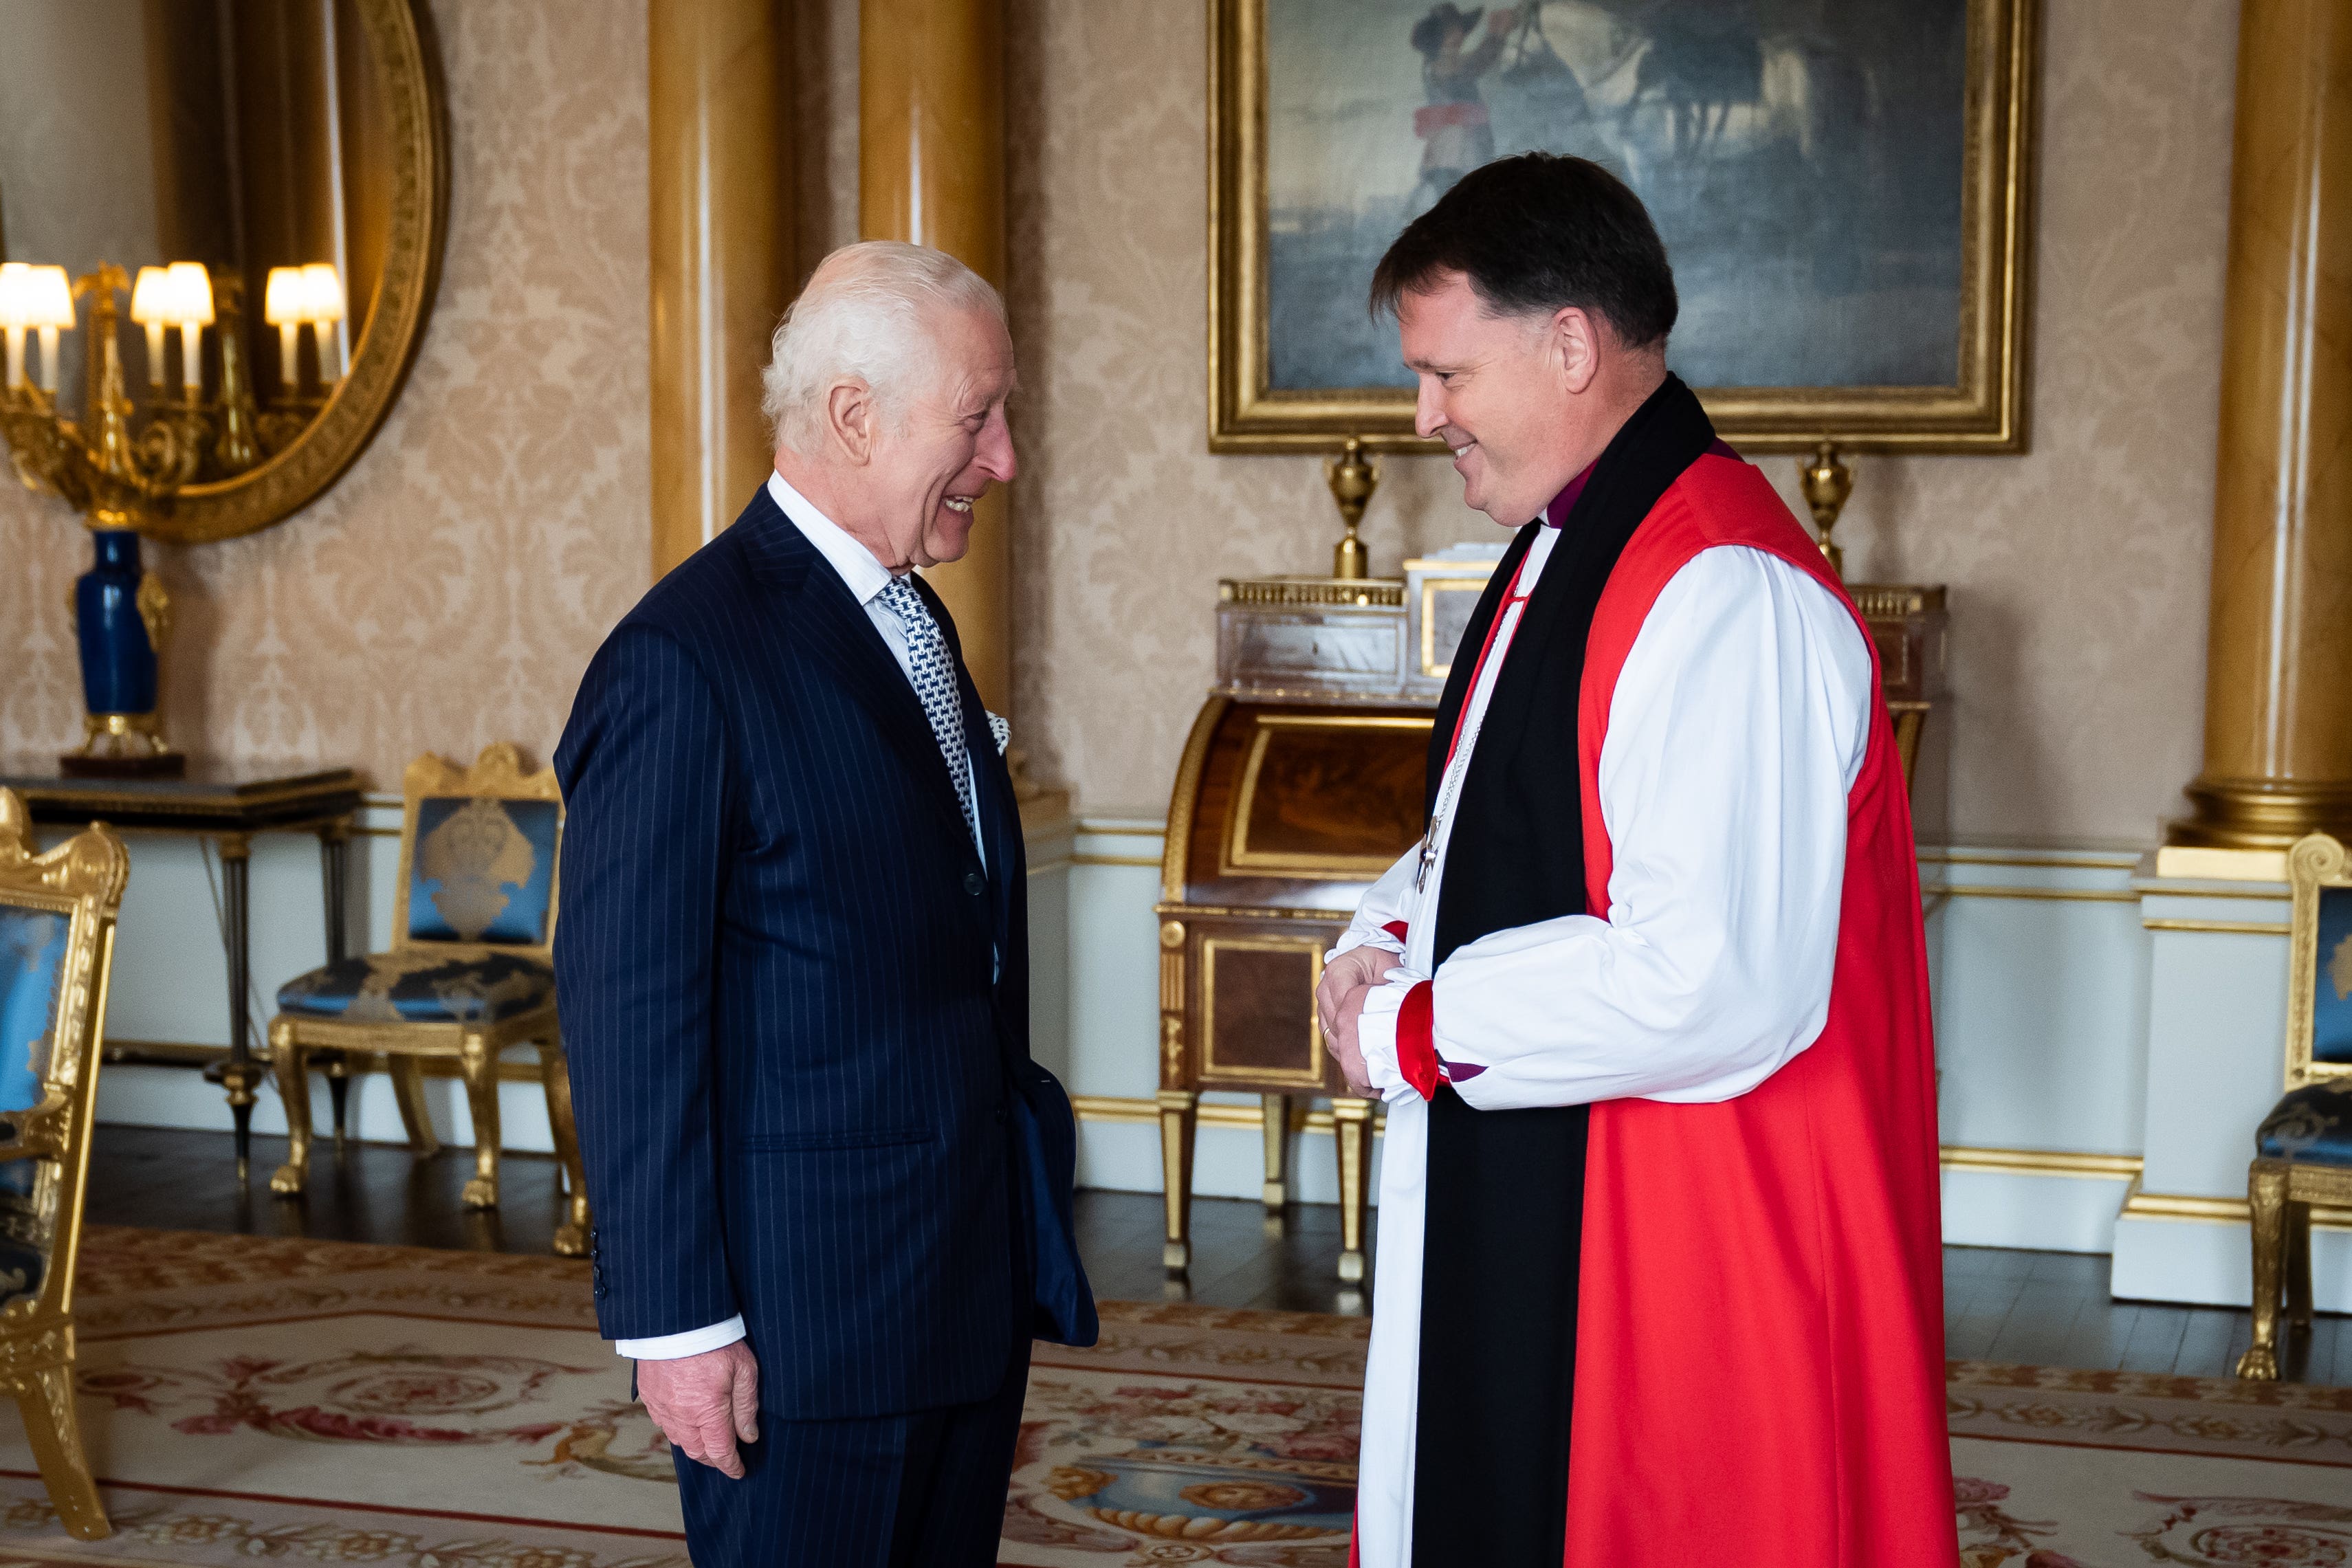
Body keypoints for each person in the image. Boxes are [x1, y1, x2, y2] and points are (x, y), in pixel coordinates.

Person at [1315, 154, 1956, 1567]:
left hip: (1697, 1248)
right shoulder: (1573, 545)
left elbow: (1709, 978)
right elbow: (1489, 819)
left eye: (1446, 373)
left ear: (1568, 344)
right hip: (1598, 1201)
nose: (1424, 416)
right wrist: (1381, 933)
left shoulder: (1719, 583)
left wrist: (1416, 1024)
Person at [553, 240, 1095, 1567]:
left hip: (955, 1289)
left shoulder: (909, 619)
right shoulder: (682, 661)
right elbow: (630, 1018)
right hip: (805, 1324)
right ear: (856, 416)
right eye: (978, 417)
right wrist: (679, 1330)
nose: (1006, 457)